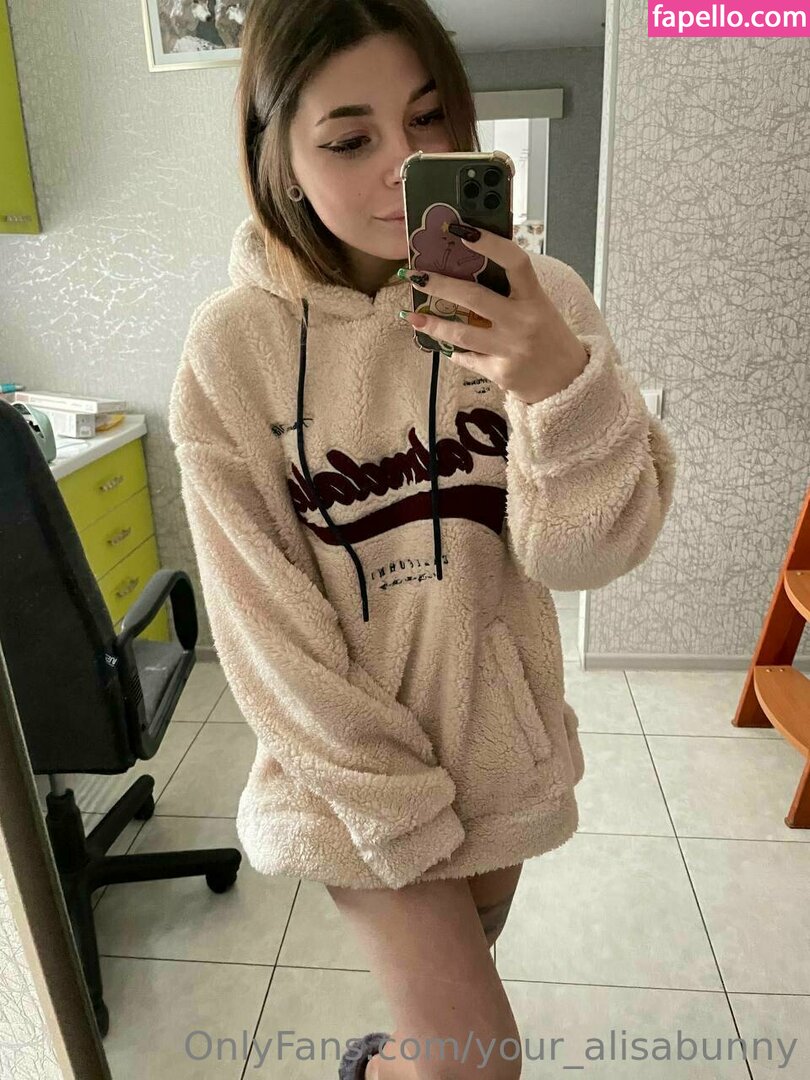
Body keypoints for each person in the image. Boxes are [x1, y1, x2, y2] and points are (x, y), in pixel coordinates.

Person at [167, 1, 678, 1077]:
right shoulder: (232, 352)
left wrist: (556, 382)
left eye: (430, 118)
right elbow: (261, 630)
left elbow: (584, 556)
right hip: (347, 774)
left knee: (446, 1027)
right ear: (280, 160)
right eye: (350, 138)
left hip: (497, 756)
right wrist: (396, 809)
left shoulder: (542, 303)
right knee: (475, 1061)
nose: (405, 164)